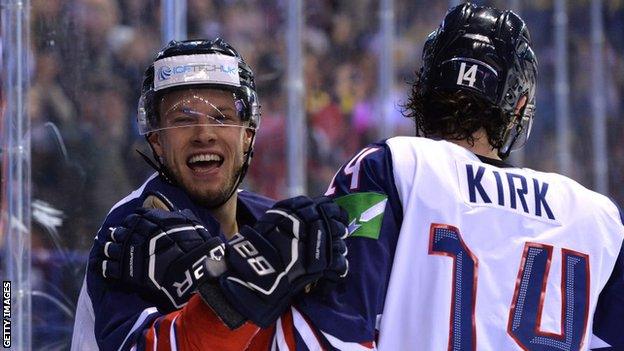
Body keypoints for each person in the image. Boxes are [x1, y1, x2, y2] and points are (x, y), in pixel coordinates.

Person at [272, 3, 624, 350]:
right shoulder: (597, 217)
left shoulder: (394, 167)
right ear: (519, 106)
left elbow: (330, 336)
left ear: (426, 85)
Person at [70, 38, 348, 350]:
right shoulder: (129, 230)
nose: (204, 134)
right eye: (183, 120)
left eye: (222, 117)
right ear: (156, 140)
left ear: (248, 134)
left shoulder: (271, 221)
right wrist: (247, 289)